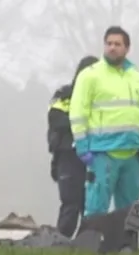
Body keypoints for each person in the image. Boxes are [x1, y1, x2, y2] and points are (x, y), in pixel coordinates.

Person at [70, 27, 139, 221]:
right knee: (96, 208)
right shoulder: (90, 76)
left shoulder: (137, 78)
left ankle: (127, 248)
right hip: (102, 152)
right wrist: (82, 148)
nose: (112, 48)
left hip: (132, 152)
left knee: (130, 211)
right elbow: (78, 113)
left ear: (127, 48)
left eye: (117, 44)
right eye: (109, 43)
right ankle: (91, 249)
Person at [48, 57, 99, 236]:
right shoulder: (64, 95)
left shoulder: (100, 98)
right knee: (70, 202)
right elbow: (56, 119)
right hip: (67, 155)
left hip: (93, 155)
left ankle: (86, 244)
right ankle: (61, 243)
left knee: (91, 204)